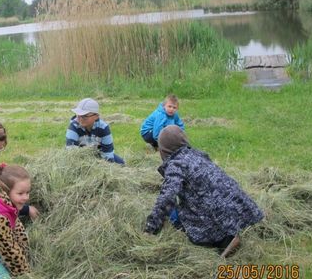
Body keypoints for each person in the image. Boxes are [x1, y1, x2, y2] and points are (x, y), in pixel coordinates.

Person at [144, 126, 263, 258]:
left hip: (215, 222)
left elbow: (167, 198)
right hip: (239, 212)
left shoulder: (176, 165)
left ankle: (223, 240)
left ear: (164, 149)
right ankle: (229, 233)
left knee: (173, 214)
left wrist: (150, 229)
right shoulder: (198, 154)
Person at [65, 98, 125, 164]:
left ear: (96, 116)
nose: (80, 118)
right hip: (81, 160)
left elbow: (108, 154)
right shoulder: (73, 127)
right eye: (78, 115)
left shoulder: (103, 128)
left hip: (99, 156)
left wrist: (102, 166)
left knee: (121, 163)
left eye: (84, 116)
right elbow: (72, 154)